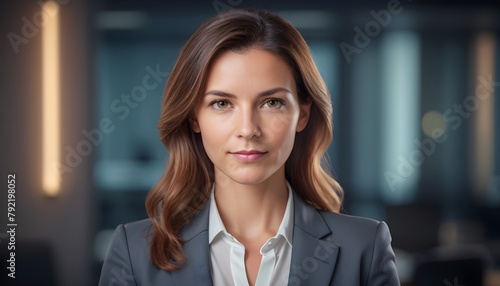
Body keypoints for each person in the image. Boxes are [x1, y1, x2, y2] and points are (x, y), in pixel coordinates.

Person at [99, 8, 400, 286]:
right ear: (194, 118)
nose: (248, 130)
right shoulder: (134, 251)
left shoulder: (365, 247)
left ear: (303, 114)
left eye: (272, 103)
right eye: (221, 103)